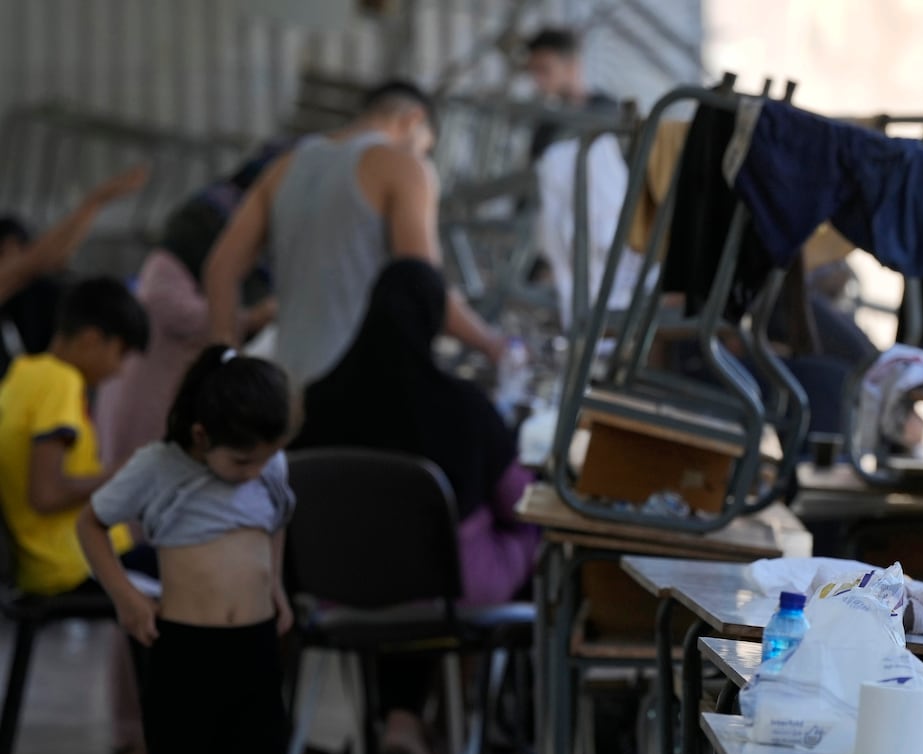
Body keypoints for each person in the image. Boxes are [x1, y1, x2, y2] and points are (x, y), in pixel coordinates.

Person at [78, 345, 356, 754]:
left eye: (264, 459)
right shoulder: (158, 467)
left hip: (256, 656)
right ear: (201, 437)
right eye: (241, 463)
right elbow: (90, 524)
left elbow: (279, 516)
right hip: (185, 661)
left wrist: (279, 587)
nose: (254, 473)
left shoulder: (268, 460)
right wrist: (125, 596)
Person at [293, 259, 540, 754]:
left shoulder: (318, 400)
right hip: (448, 587)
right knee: (529, 535)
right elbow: (521, 501)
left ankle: (402, 724)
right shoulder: (465, 405)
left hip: (344, 588)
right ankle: (462, 727)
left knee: (392, 567)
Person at [204, 79, 505, 392]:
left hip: (286, 383)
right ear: (414, 119)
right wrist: (494, 345)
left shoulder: (284, 166)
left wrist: (227, 359)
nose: (422, 155)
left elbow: (220, 268)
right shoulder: (404, 168)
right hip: (357, 389)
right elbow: (423, 287)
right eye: (425, 147)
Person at [98, 144, 286, 474]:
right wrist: (250, 318)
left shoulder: (246, 239)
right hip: (151, 386)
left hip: (175, 387)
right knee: (137, 476)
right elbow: (169, 307)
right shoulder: (202, 227)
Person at [0, 277, 149, 596]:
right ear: (91, 340)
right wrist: (121, 474)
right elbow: (46, 494)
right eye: (120, 354)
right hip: (77, 565)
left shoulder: (22, 374)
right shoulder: (61, 381)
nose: (119, 371)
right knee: (200, 583)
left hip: (59, 563)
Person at [0, 164, 150, 366]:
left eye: (22, 249)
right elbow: (41, 259)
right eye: (10, 254)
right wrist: (97, 200)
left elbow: (51, 259)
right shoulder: (19, 282)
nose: (18, 261)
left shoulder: (34, 292)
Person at [525, 27, 619, 162]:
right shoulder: (547, 125)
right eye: (534, 72)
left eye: (544, 70)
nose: (538, 81)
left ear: (571, 66)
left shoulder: (609, 112)